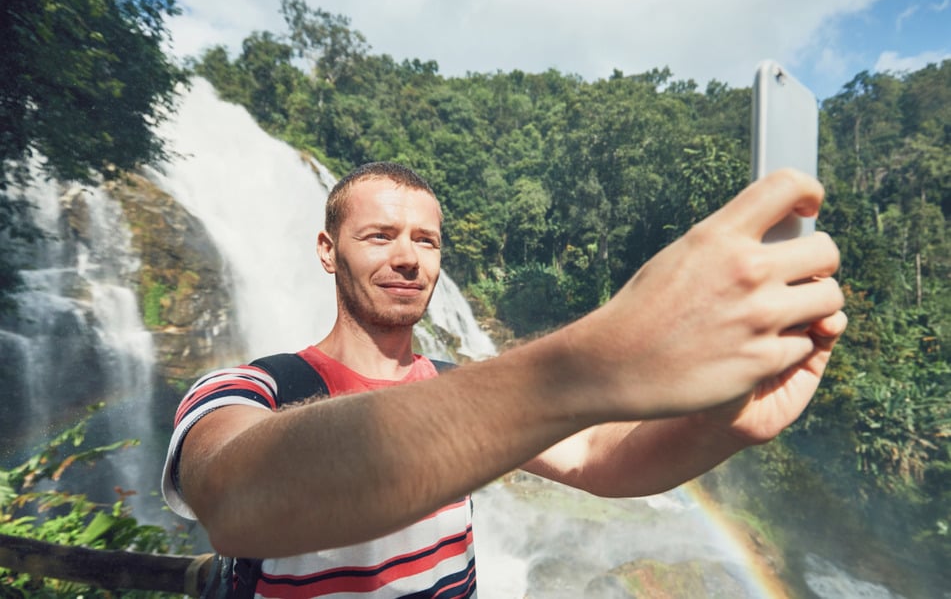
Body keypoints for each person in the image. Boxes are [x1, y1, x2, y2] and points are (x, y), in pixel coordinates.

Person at [162, 161, 847, 597]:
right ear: (326, 249)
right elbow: (234, 501)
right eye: (378, 236)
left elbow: (598, 458)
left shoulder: (469, 388)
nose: (406, 258)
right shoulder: (249, 389)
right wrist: (592, 359)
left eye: (425, 242)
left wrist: (721, 425)